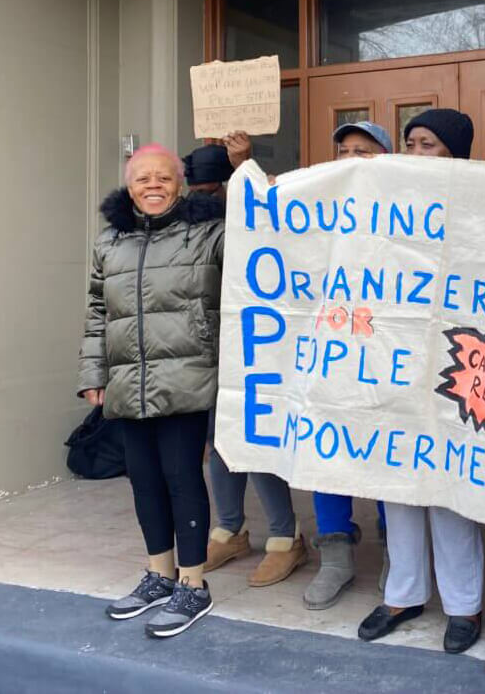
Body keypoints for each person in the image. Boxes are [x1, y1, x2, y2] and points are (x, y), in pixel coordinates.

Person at [78, 144, 223, 637]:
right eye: (143, 179)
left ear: (180, 183)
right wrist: (92, 375)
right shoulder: (109, 242)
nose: (153, 186)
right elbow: (98, 312)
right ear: (129, 186)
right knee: (143, 480)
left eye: (163, 177)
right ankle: (159, 574)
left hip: (186, 375)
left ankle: (193, 584)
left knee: (182, 476)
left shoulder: (209, 232)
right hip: (127, 380)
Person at [356, 109, 485, 655]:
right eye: (409, 143)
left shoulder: (482, 205)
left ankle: (463, 605)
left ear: (453, 153)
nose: (414, 153)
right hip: (395, 362)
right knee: (398, 485)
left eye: (427, 144)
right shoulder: (384, 205)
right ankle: (403, 593)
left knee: (449, 487)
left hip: (456, 365)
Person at [181, 138, 308, 588]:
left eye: (213, 192)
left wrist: (245, 165)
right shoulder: (187, 229)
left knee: (258, 434)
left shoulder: (260, 220)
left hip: (259, 343)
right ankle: (229, 529)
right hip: (210, 347)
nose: (203, 201)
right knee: (219, 440)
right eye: (196, 193)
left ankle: (284, 537)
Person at [302, 120, 392, 610]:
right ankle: (335, 556)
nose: (351, 156)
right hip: (330, 352)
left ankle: (396, 554)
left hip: (384, 357)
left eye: (364, 149)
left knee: (386, 448)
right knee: (326, 453)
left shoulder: (410, 206)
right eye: (344, 149)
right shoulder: (311, 204)